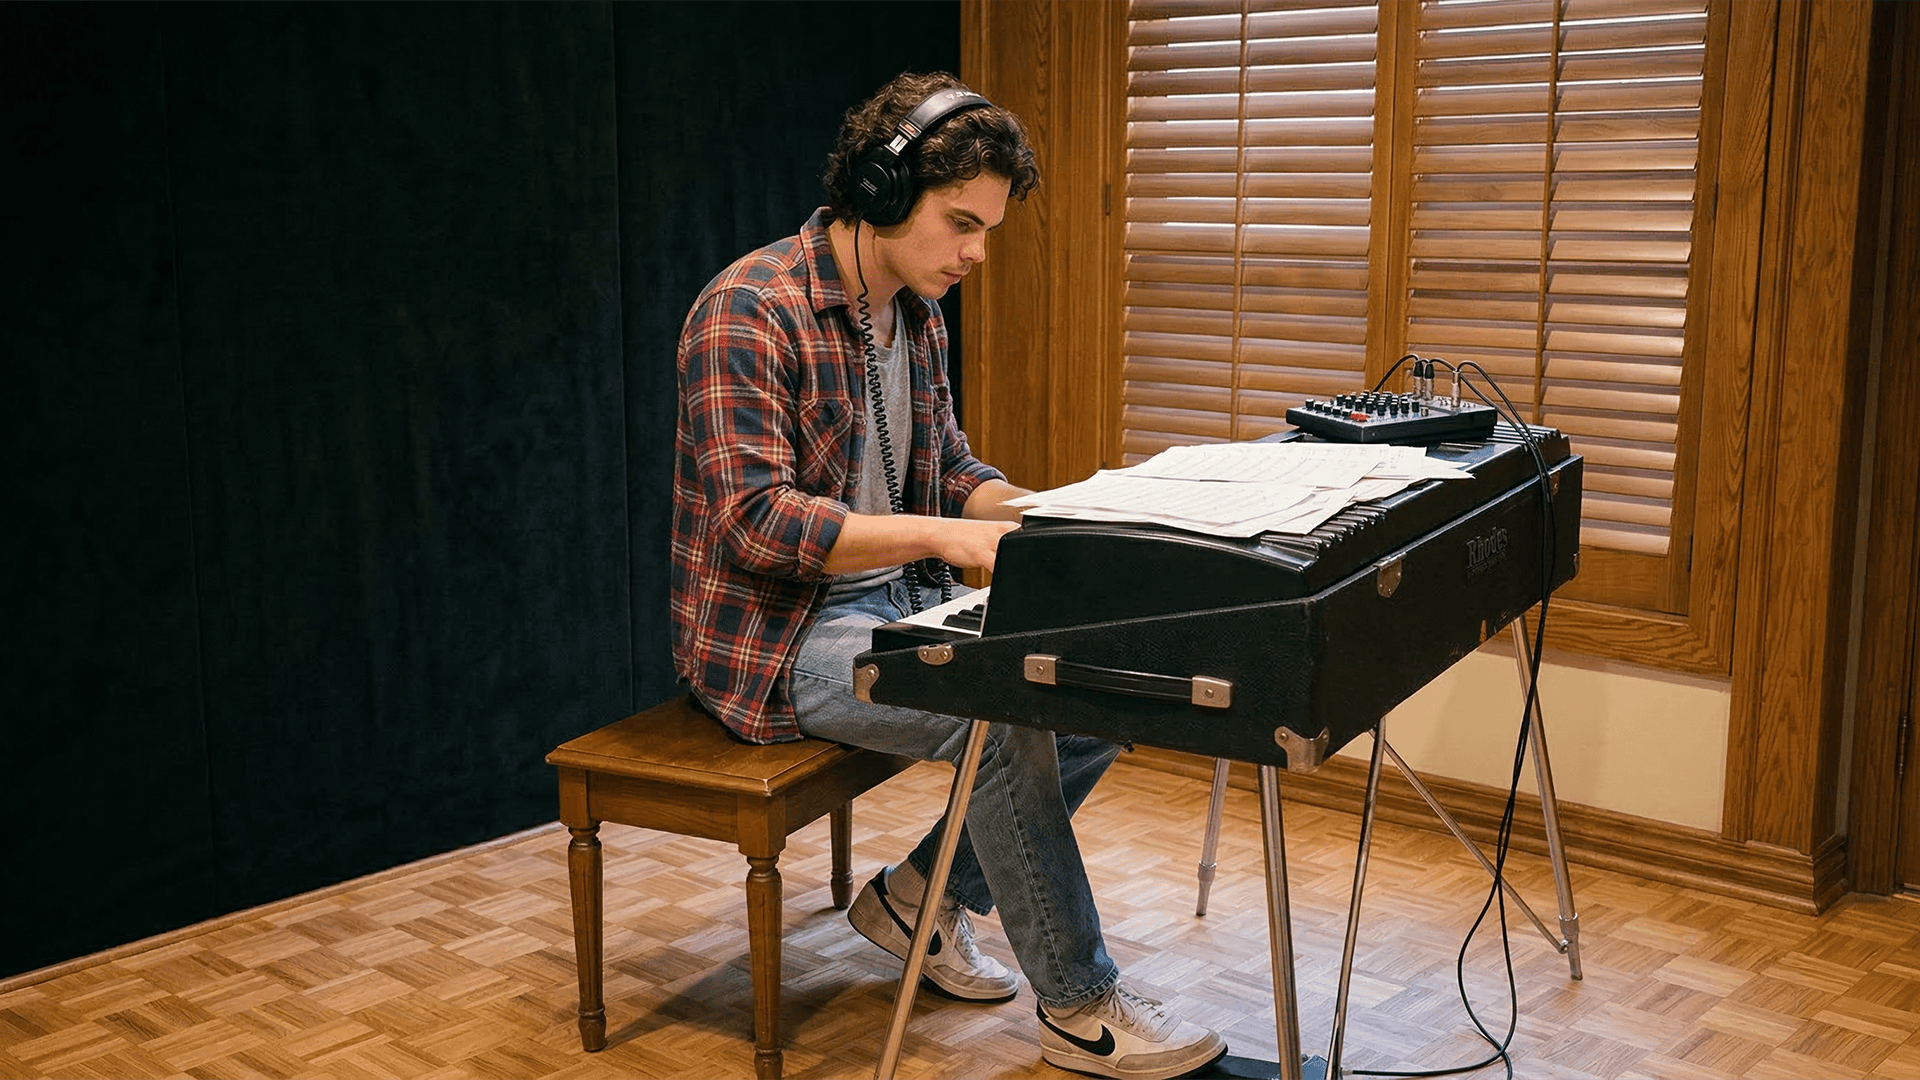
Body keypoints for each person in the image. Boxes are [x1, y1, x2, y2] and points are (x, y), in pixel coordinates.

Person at [669, 71, 1227, 1080]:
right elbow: (755, 524)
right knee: (1004, 710)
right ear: (882, 194)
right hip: (779, 641)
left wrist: (1036, 511)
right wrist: (941, 538)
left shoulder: (914, 315)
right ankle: (1079, 1005)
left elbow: (952, 472)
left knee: (1102, 678)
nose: (975, 254)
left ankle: (915, 899)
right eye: (959, 223)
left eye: (987, 231)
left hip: (894, 605)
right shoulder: (748, 312)